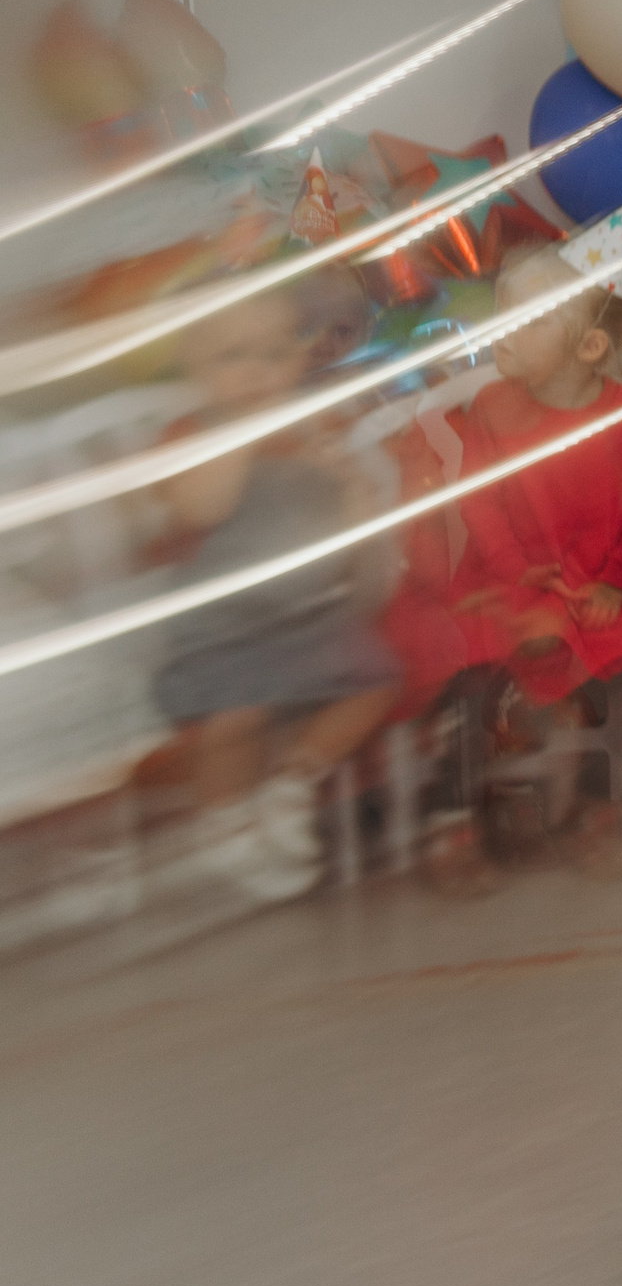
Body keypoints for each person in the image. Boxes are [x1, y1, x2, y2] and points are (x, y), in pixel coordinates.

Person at [434, 251, 622, 875]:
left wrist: (616, 579)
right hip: (515, 579)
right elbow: (479, 499)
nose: (505, 331)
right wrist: (512, 567)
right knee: (480, 657)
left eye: (528, 322)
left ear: (588, 346)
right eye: (503, 316)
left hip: (607, 578)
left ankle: (606, 799)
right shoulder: (492, 408)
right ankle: (474, 803)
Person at [150, 286, 402, 900]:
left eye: (272, 354)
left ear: (297, 361)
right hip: (222, 627)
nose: (257, 372)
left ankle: (291, 783)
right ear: (199, 370)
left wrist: (347, 486)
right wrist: (244, 434)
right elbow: (199, 505)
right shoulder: (192, 433)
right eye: (235, 356)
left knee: (376, 679)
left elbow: (351, 535)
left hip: (305, 621)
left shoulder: (314, 431)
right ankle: (225, 823)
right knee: (239, 711)